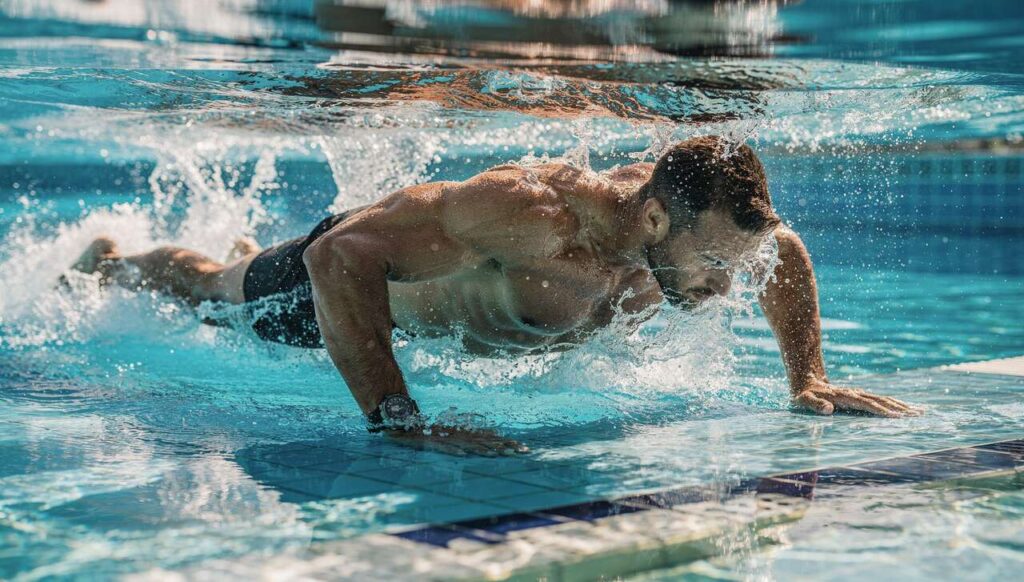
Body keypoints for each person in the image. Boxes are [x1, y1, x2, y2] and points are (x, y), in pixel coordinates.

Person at [69, 136, 919, 455]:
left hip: (405, 271)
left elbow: (784, 250)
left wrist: (806, 377)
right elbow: (338, 258)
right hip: (333, 283)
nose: (725, 283)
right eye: (715, 262)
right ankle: (114, 261)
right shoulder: (535, 217)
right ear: (656, 217)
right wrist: (401, 421)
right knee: (214, 295)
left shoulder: (685, 230)